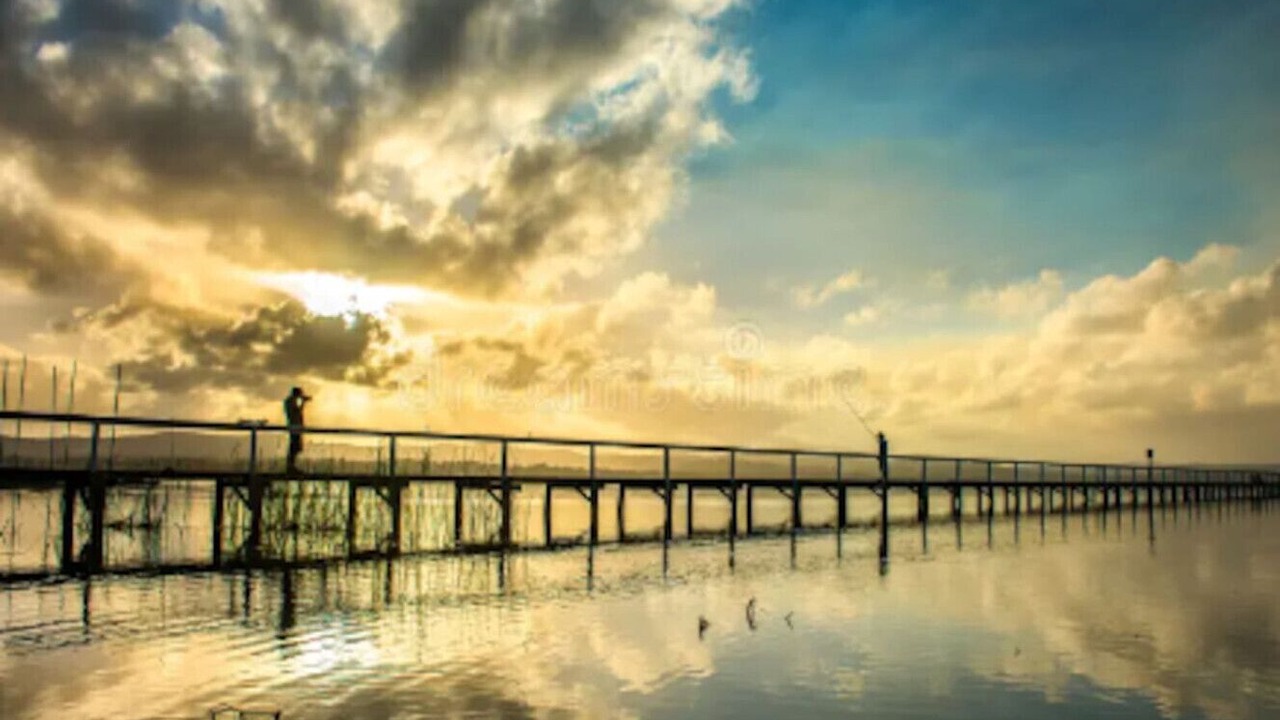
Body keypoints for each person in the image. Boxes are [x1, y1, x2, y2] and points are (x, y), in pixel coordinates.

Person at [283, 387, 312, 475]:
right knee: (294, 447)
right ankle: (290, 467)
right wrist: (303, 403)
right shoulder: (290, 401)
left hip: (295, 427)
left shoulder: (290, 401)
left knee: (295, 447)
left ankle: (291, 466)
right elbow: (296, 412)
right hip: (294, 427)